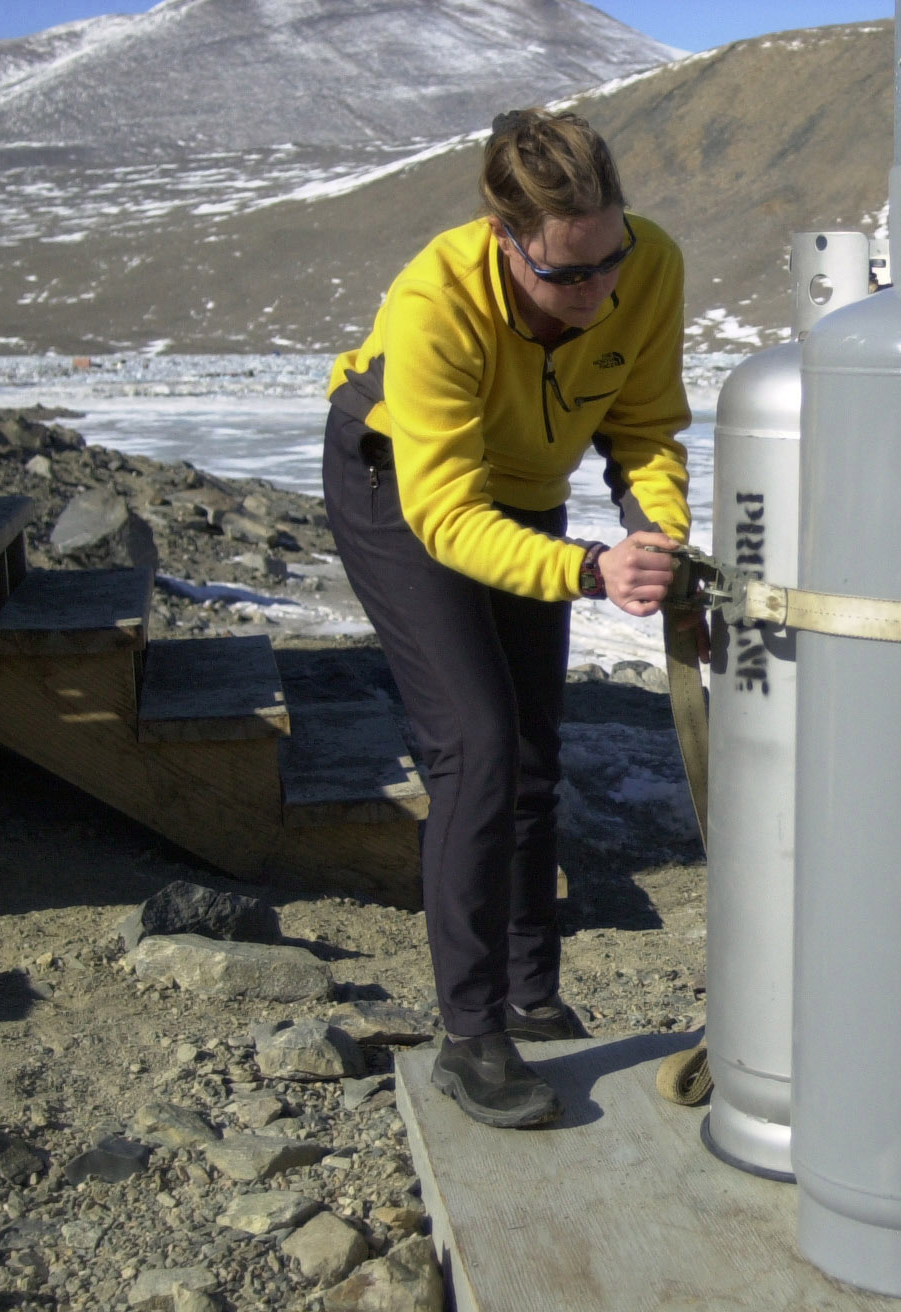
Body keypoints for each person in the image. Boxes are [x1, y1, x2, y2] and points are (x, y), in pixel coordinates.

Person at [322, 108, 691, 1129]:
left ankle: (533, 994)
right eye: (567, 276)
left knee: (535, 745)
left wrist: (655, 531)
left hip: (523, 484)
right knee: (475, 744)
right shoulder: (434, 300)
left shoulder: (645, 266)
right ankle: (470, 1034)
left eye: (608, 259)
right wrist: (587, 567)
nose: (600, 291)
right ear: (502, 239)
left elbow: (644, 424)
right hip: (400, 487)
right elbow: (443, 515)